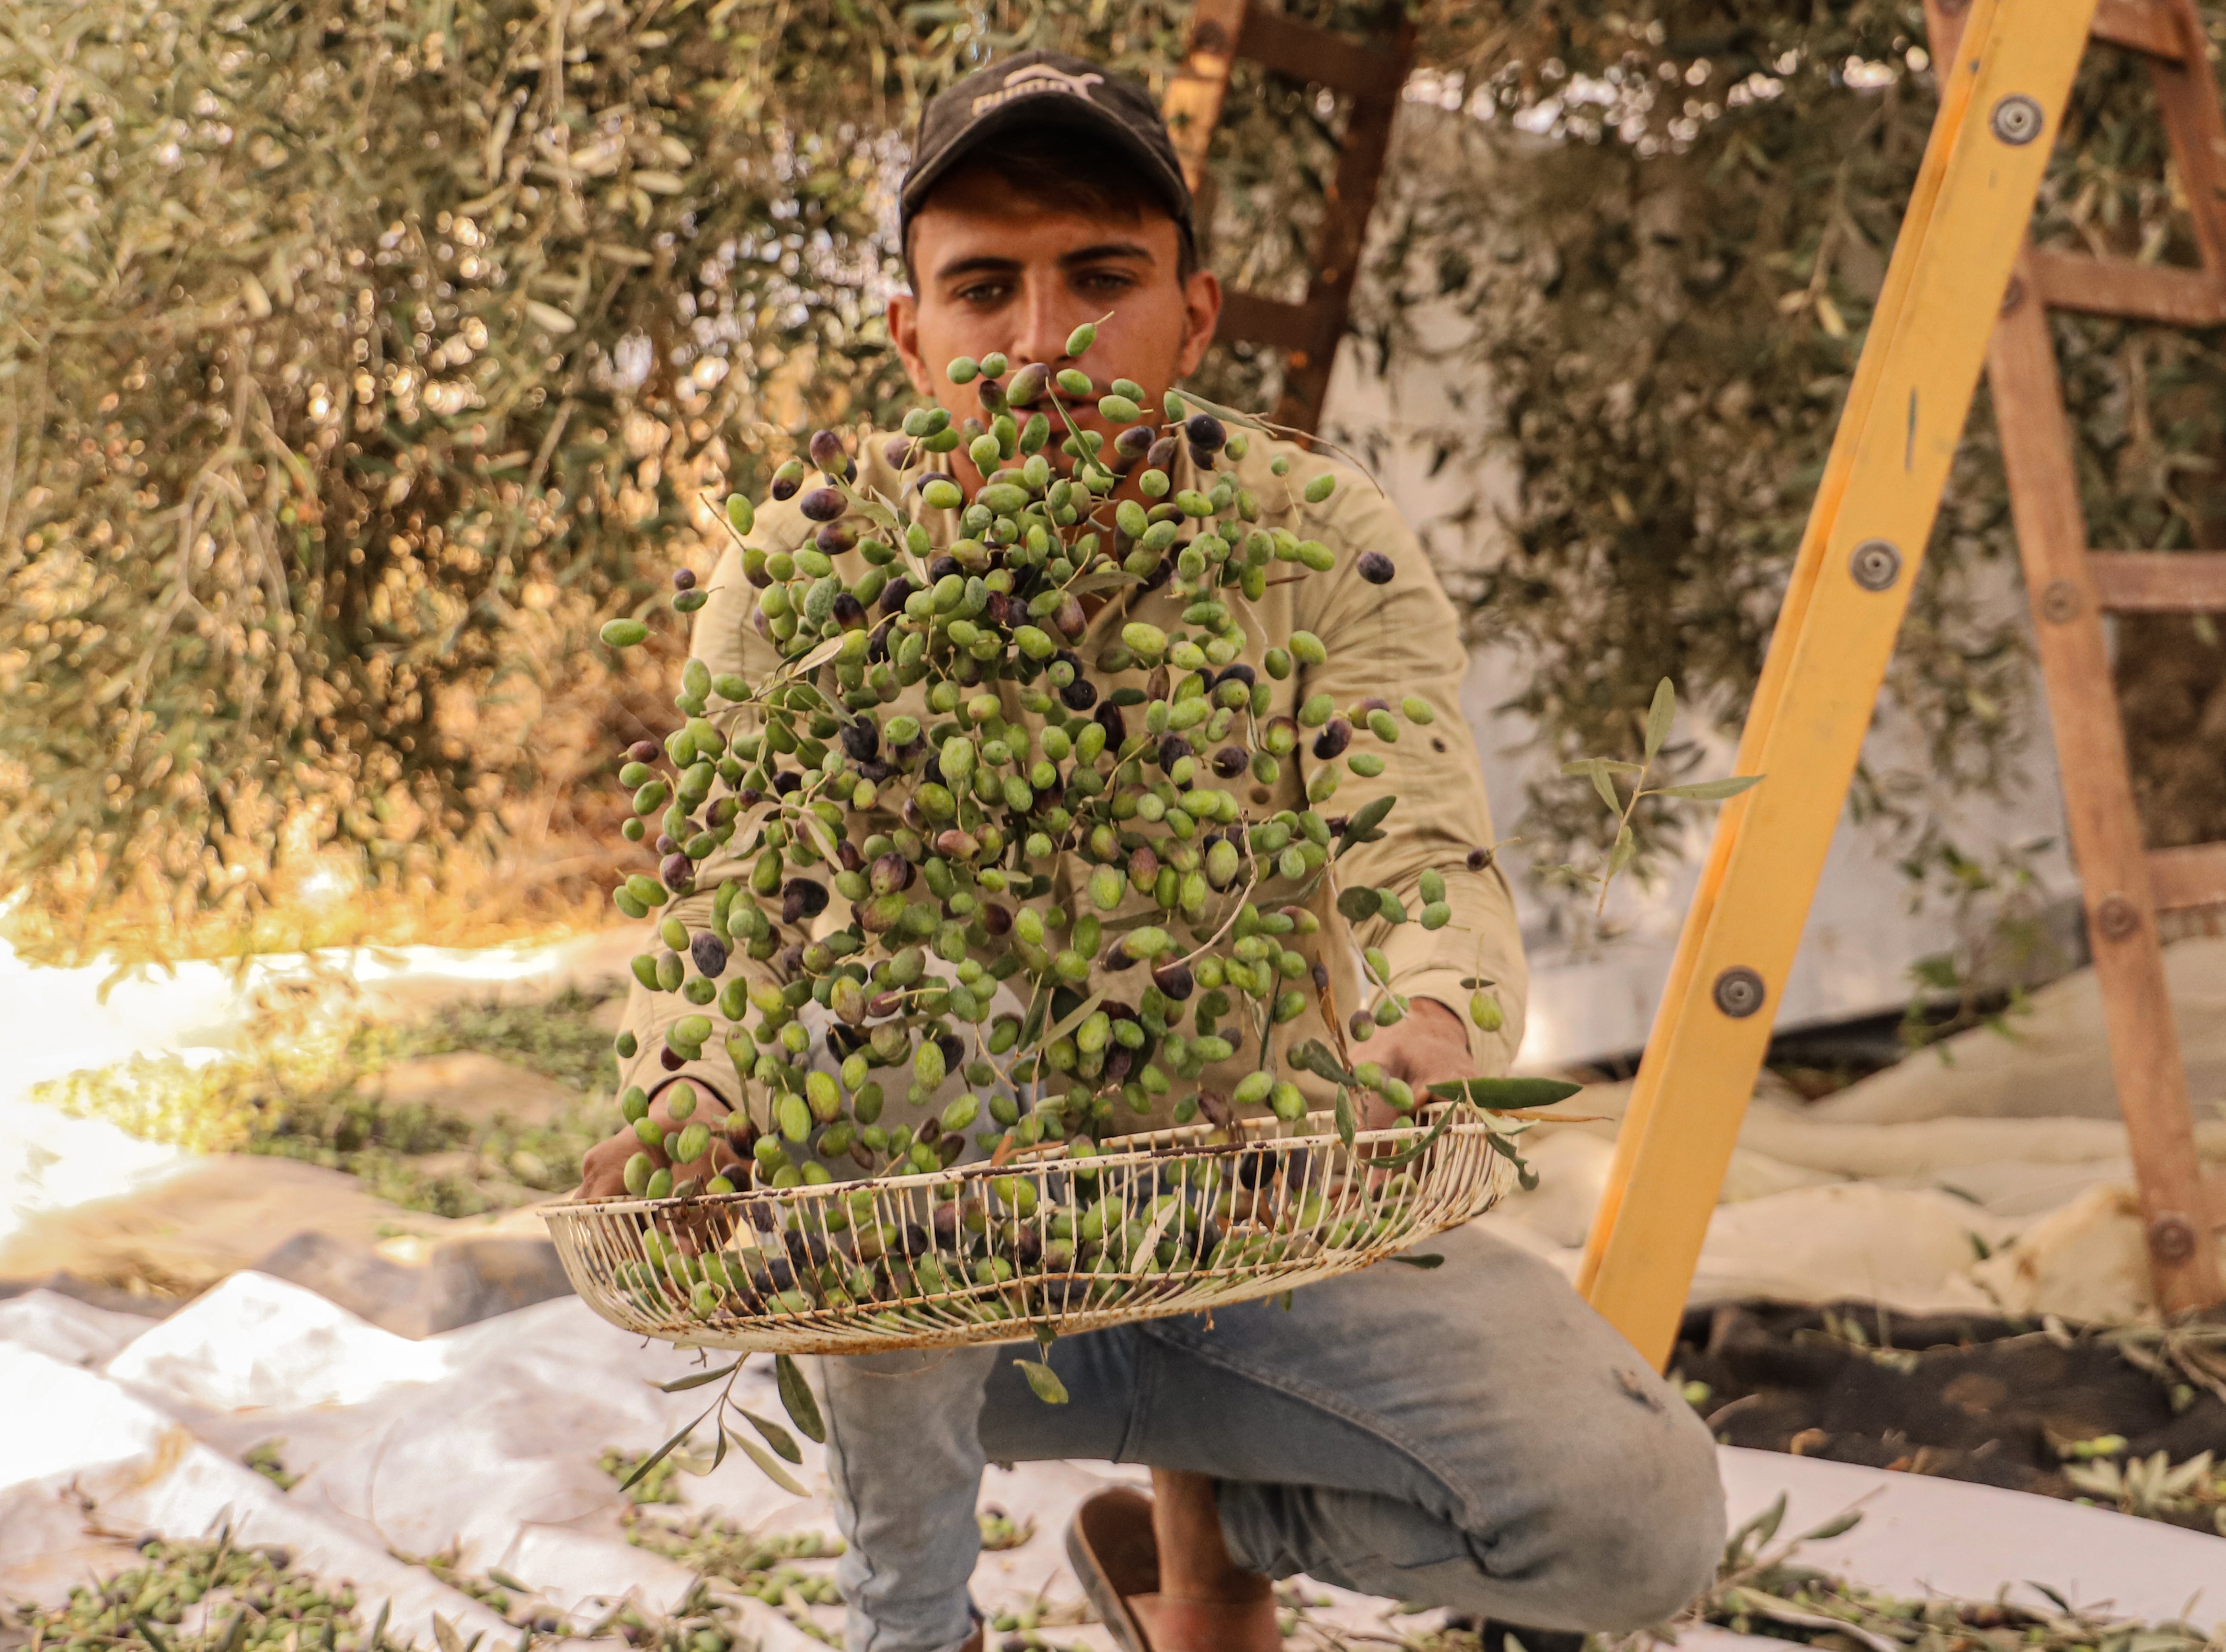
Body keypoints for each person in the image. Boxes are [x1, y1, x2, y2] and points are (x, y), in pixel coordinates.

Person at [578, 50, 1724, 1652]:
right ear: (911, 336)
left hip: (1257, 1217)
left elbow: (1415, 839)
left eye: (1101, 280)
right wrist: (689, 1093)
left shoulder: (1312, 535)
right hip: (942, 1271)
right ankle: (913, 1625)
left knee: (1635, 1517)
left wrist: (1432, 1020)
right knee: (883, 1040)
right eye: (985, 288)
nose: (1044, 340)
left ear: (1195, 318)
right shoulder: (813, 561)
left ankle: (1223, 1525)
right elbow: (727, 899)